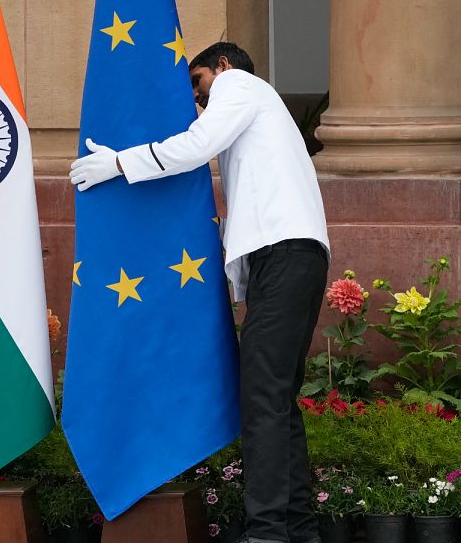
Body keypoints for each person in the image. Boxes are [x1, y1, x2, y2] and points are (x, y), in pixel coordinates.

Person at [69, 42, 329, 543]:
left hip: (285, 255)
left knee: (263, 400)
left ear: (223, 66)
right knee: (275, 400)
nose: (197, 98)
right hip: (288, 258)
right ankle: (296, 530)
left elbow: (194, 146)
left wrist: (121, 163)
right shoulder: (257, 108)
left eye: (198, 82)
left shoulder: (241, 85)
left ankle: (267, 534)